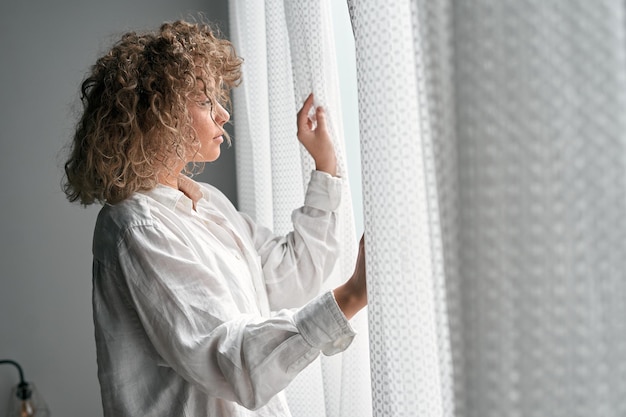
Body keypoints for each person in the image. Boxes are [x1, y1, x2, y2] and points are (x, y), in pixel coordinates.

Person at [62, 18, 367, 417]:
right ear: (158, 115)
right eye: (205, 101)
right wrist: (351, 295)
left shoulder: (207, 204)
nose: (223, 114)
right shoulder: (135, 225)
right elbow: (230, 360)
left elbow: (291, 275)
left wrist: (325, 165)